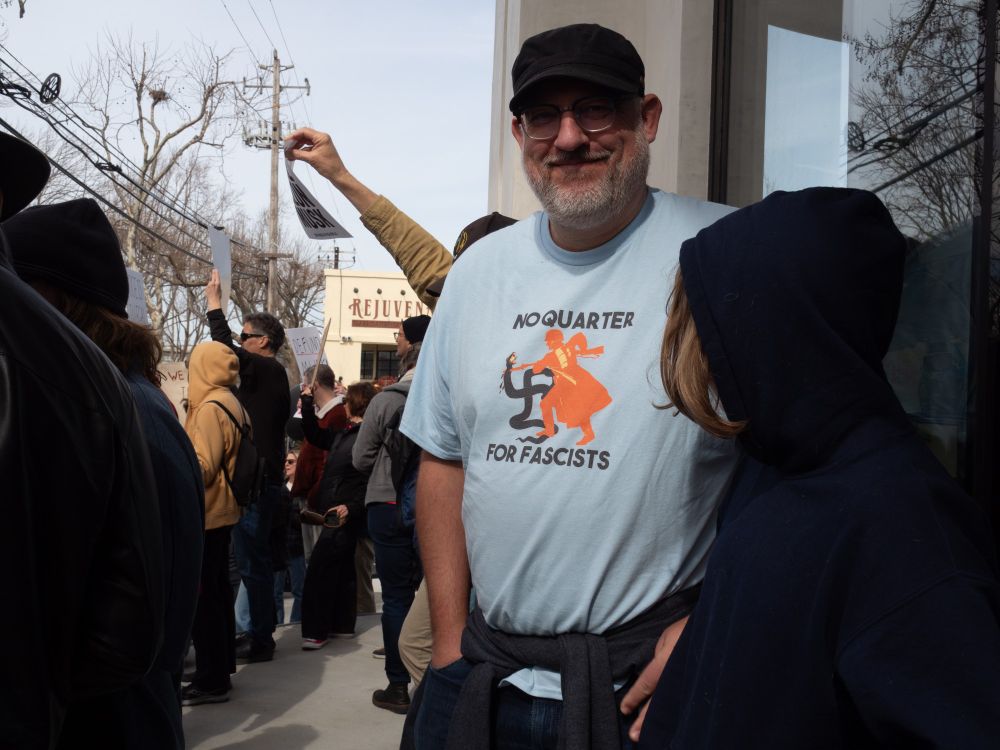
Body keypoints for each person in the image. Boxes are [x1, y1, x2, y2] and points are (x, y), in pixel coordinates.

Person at [399, 23, 741, 748]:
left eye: (595, 109)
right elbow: (444, 458)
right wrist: (454, 638)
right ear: (519, 132)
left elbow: (800, 468)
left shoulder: (725, 255)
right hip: (485, 680)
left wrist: (712, 627)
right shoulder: (477, 275)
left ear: (645, 118)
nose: (568, 138)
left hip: (646, 690)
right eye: (543, 118)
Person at [636, 187, 1000, 748]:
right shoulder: (780, 467)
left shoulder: (908, 534)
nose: (696, 349)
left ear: (777, 328)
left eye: (711, 322)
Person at [6, 198, 204, 749]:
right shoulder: (120, 404)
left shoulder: (126, 414)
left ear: (52, 302)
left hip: (116, 720)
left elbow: (132, 627)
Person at [205, 269, 291, 662]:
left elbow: (223, 347)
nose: (239, 343)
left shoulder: (268, 369)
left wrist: (214, 305)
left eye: (245, 337)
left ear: (263, 342)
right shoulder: (270, 375)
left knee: (251, 564)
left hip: (257, 486)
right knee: (258, 563)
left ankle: (259, 637)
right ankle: (261, 631)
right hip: (266, 483)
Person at [354, 314, 430, 714]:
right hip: (433, 506)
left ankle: (398, 684)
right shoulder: (444, 394)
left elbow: (359, 457)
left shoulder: (386, 400)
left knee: (397, 597)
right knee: (434, 592)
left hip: (386, 503)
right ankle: (434, 676)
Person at [181, 341, 247, 705]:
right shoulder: (232, 400)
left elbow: (203, 467)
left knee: (204, 598)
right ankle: (219, 668)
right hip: (226, 510)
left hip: (208, 511)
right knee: (219, 593)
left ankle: (211, 678)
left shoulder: (209, 408)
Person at [298, 381, 377, 649]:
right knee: (342, 569)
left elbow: (368, 477)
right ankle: (342, 623)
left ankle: (315, 631)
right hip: (335, 510)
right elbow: (315, 435)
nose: (342, 402)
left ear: (355, 403)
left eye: (347, 399)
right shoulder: (345, 433)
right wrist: (307, 405)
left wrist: (351, 507)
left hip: (342, 512)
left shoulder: (365, 436)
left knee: (321, 570)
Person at [274, 449, 305, 625]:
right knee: (275, 592)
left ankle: (295, 622)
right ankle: (277, 624)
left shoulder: (301, 491)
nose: (287, 464)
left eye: (291, 461)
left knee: (299, 590)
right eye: (286, 461)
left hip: (297, 547)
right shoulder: (280, 489)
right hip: (281, 546)